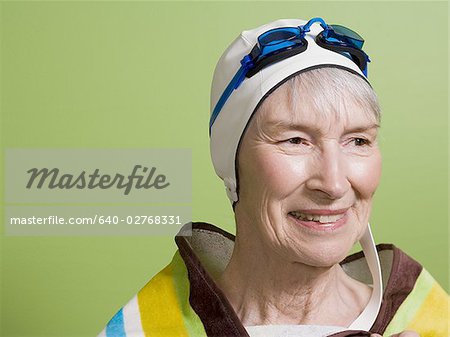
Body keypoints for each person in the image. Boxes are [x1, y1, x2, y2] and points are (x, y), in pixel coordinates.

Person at [98, 18, 449, 337]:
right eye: (295, 140)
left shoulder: (432, 320)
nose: (334, 183)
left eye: (358, 140)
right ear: (232, 164)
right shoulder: (145, 327)